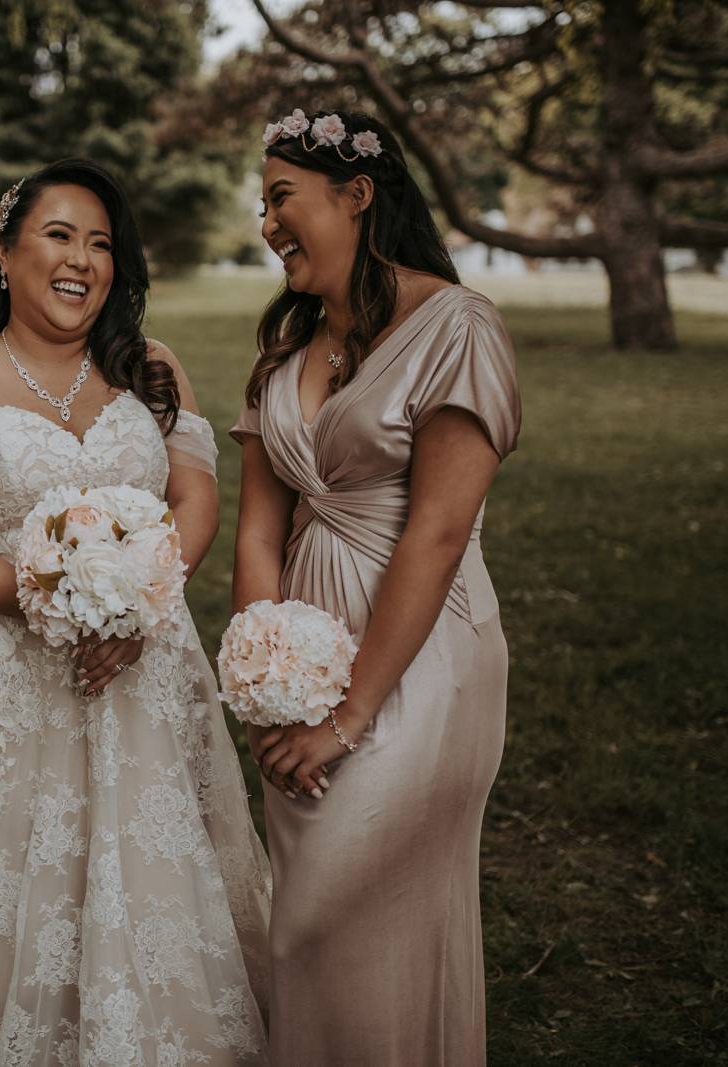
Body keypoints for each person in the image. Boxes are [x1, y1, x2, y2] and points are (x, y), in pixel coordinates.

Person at [0, 158, 272, 1064]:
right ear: (4, 249)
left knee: (152, 874)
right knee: (17, 880)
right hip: (11, 681)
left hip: (148, 669)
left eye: (101, 243)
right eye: (60, 235)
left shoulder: (150, 367)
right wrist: (56, 602)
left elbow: (198, 503)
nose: (82, 261)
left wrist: (136, 604)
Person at [231, 108, 521, 1065]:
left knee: (328, 914)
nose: (268, 221)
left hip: (418, 659)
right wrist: (264, 677)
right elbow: (260, 525)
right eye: (264, 202)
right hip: (301, 661)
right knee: (311, 931)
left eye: (282, 197)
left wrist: (347, 716)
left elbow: (437, 534)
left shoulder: (457, 326)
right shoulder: (287, 342)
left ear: (356, 196)